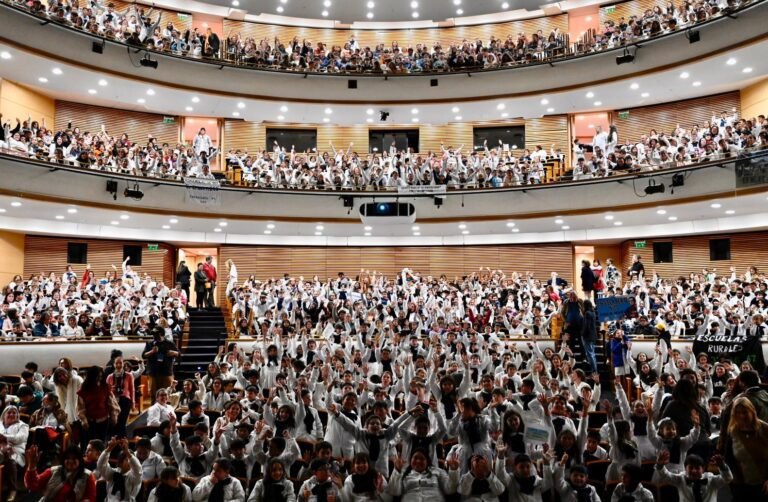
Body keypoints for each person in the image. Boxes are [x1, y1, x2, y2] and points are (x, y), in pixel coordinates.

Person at [720, 397, 768, 498]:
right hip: (741, 485)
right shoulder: (733, 432)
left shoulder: (764, 429)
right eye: (738, 412)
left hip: (763, 484)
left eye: (745, 412)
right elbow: (729, 458)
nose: (742, 416)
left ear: (752, 411)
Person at [24, 444, 97, 502]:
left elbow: (90, 497)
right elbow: (33, 485)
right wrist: (32, 466)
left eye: (74, 458)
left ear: (80, 460)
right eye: (68, 458)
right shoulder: (53, 471)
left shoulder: (87, 475)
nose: (71, 461)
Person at [654, 451, 732, 502]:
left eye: (697, 468)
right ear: (685, 468)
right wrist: (660, 465)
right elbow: (665, 476)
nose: (694, 471)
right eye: (691, 468)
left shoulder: (711, 479)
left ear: (703, 469)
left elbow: (728, 478)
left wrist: (722, 466)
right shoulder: (681, 479)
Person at [77, 366, 119, 446]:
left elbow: (111, 404)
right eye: (96, 377)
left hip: (103, 420)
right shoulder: (84, 389)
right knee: (89, 443)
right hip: (89, 422)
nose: (98, 379)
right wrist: (84, 420)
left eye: (100, 376)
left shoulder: (105, 387)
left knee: (101, 443)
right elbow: (80, 407)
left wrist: (114, 417)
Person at [98, 437, 143, 502]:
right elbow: (101, 465)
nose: (130, 462)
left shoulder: (134, 476)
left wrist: (128, 453)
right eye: (127, 460)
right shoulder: (113, 473)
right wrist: (109, 449)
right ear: (120, 462)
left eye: (130, 460)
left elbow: (138, 470)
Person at [143, 327, 180, 402]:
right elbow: (143, 355)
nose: (154, 336)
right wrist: (152, 352)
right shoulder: (150, 343)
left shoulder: (169, 343)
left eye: (156, 334)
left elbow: (179, 354)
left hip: (166, 372)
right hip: (153, 372)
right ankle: (154, 412)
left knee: (168, 394)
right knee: (154, 395)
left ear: (161, 334)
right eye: (153, 334)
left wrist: (173, 353)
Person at [0, 406, 29, 501]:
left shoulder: (23, 425)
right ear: (4, 415)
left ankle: (13, 489)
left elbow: (20, 438)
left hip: (16, 451)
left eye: (14, 413)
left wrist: (4, 437)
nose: (12, 414)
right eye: (9, 412)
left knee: (10, 457)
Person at [106, 356, 135, 438]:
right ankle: (114, 441)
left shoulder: (129, 375)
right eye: (116, 363)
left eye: (120, 363)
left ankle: (123, 441)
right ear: (114, 365)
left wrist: (133, 403)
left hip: (125, 400)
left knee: (122, 422)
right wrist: (111, 389)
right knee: (114, 422)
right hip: (113, 401)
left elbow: (132, 389)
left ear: (123, 364)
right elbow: (106, 391)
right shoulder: (110, 377)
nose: (118, 365)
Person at [581, 300, 598, 373]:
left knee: (590, 354)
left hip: (587, 335)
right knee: (592, 353)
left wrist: (582, 333)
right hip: (592, 335)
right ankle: (594, 370)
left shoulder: (587, 313)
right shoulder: (593, 312)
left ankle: (594, 371)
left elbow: (586, 325)